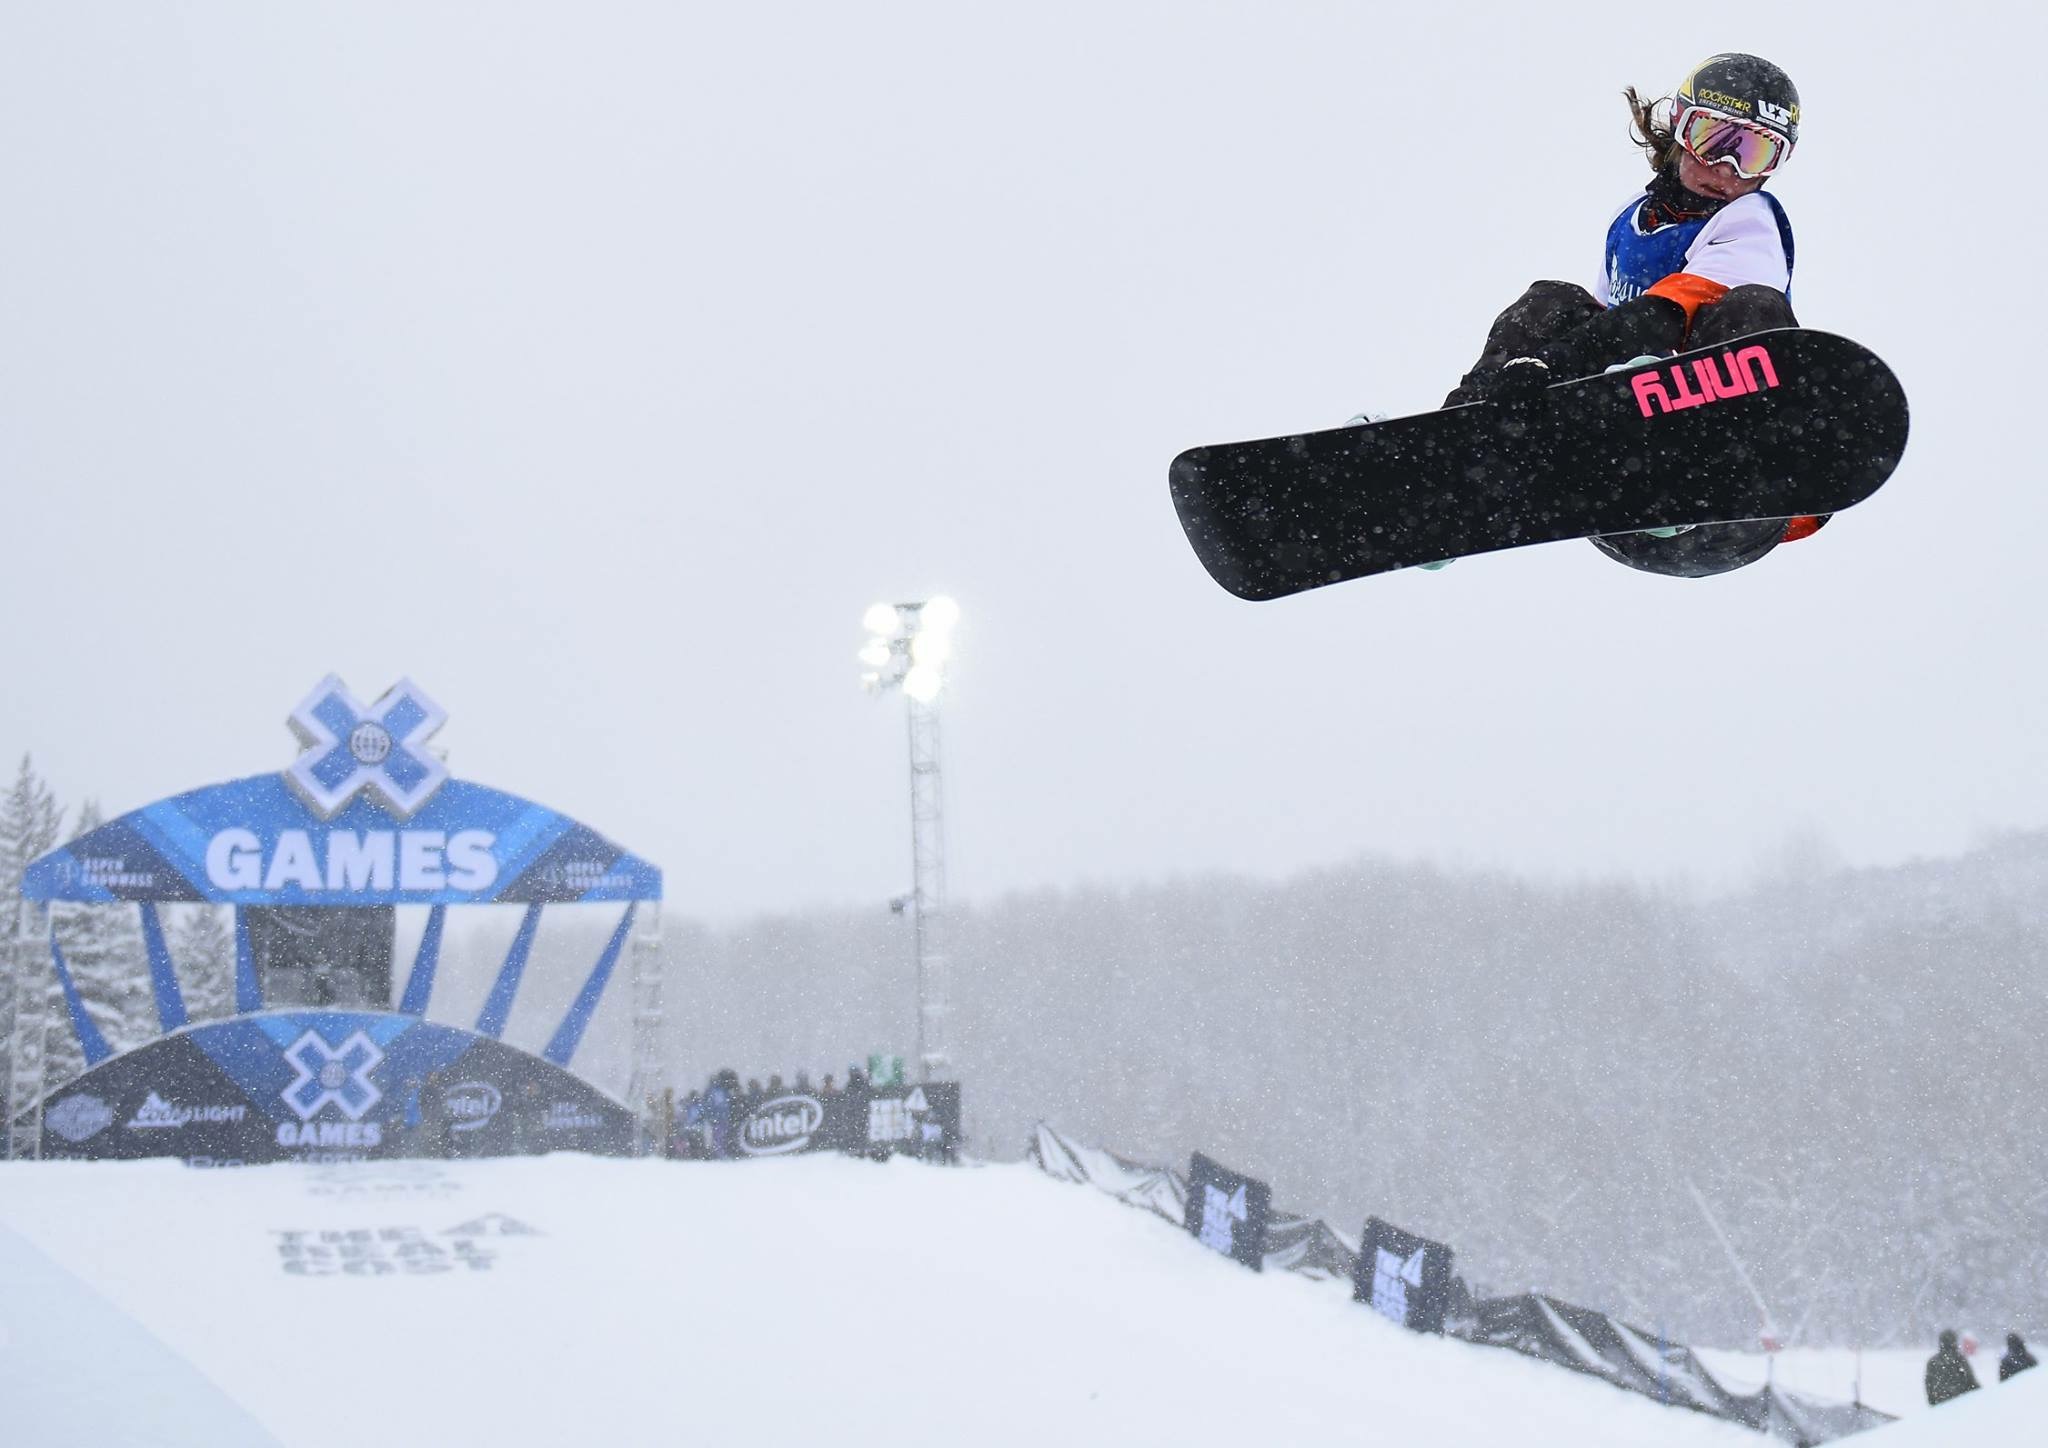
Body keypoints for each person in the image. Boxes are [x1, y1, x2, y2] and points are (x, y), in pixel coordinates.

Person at [1437, 53, 1815, 578]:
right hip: (1620, 501)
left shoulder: (1751, 219)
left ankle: (1690, 465)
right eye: (1714, 139)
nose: (1727, 169)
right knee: (1550, 301)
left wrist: (1555, 363)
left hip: (1730, 509)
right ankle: (1454, 466)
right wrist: (1528, 375)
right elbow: (1601, 327)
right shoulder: (1632, 220)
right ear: (1680, 129)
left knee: (1753, 307)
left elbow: (1666, 313)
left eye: (1753, 153)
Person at [1926, 1329, 1981, 1406]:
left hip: (1940, 1404)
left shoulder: (1933, 1361)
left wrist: (1932, 1402)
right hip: (1960, 1403)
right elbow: (1971, 1381)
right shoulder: (1960, 1359)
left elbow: (1929, 1385)